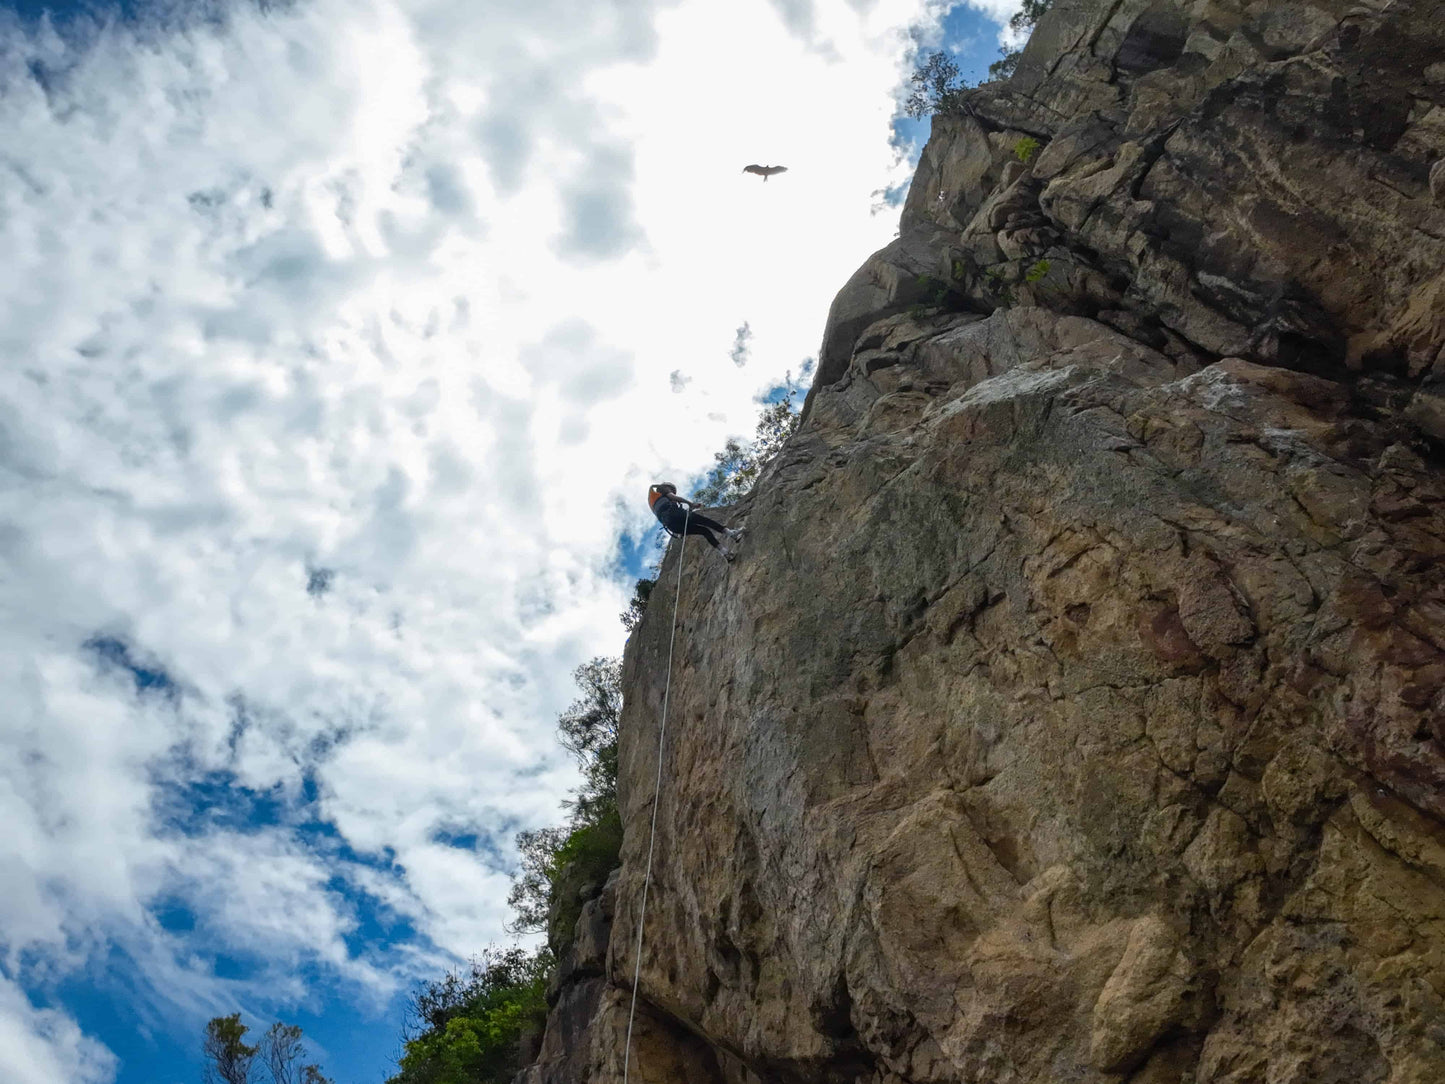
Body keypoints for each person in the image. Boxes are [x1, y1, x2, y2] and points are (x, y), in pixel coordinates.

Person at [647, 483, 744, 561]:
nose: (673, 492)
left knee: (704, 531)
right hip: (675, 514)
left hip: (672, 526)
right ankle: (731, 534)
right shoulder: (663, 489)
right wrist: (691, 504)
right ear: (667, 487)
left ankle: (725, 553)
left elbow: (666, 516)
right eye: (672, 490)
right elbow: (674, 498)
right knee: (705, 521)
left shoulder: (654, 502)